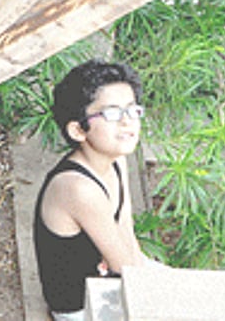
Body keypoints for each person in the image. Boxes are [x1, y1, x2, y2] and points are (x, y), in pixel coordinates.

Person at [33, 59, 150, 320]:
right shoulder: (79, 189)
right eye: (111, 113)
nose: (127, 122)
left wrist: (141, 272)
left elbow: (125, 232)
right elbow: (124, 266)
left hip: (108, 278)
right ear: (77, 130)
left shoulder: (116, 159)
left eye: (132, 110)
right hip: (79, 306)